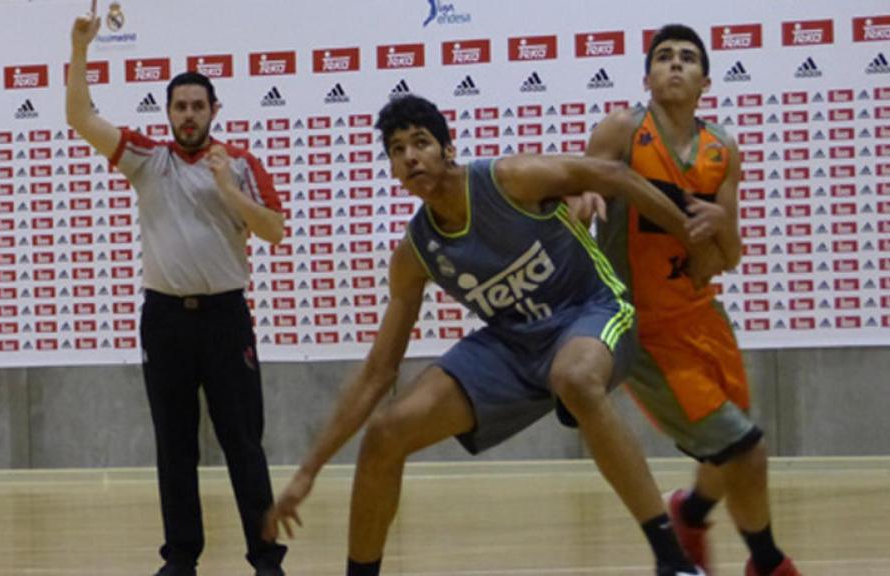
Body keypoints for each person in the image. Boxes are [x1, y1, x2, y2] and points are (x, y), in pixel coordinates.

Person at [263, 93, 715, 576]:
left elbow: (614, 176)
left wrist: (691, 233)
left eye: (421, 143)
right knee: (385, 433)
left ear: (447, 148)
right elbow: (378, 371)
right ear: (393, 169)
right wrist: (308, 471)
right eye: (397, 150)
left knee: (575, 377)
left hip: (590, 309)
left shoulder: (508, 178)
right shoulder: (416, 252)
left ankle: (674, 561)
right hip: (514, 341)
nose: (411, 156)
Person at [575, 24, 802, 576]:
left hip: (703, 316)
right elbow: (579, 183)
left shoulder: (721, 148)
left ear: (706, 81)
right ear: (647, 76)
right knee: (743, 448)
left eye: (687, 58)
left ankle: (692, 511)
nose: (675, 65)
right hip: (645, 328)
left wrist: (721, 224)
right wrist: (581, 192)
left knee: (729, 446)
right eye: (664, 57)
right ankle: (767, 562)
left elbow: (730, 257)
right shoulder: (623, 131)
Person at [66, 11, 287, 576]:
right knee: (174, 444)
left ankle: (265, 558)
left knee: (244, 442)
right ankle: (181, 559)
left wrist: (225, 189)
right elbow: (79, 116)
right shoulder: (148, 159)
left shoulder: (239, 165)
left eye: (198, 105)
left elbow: (273, 230)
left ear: (214, 111)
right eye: (179, 106)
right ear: (168, 114)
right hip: (165, 320)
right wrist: (79, 47)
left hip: (225, 319)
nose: (188, 114)